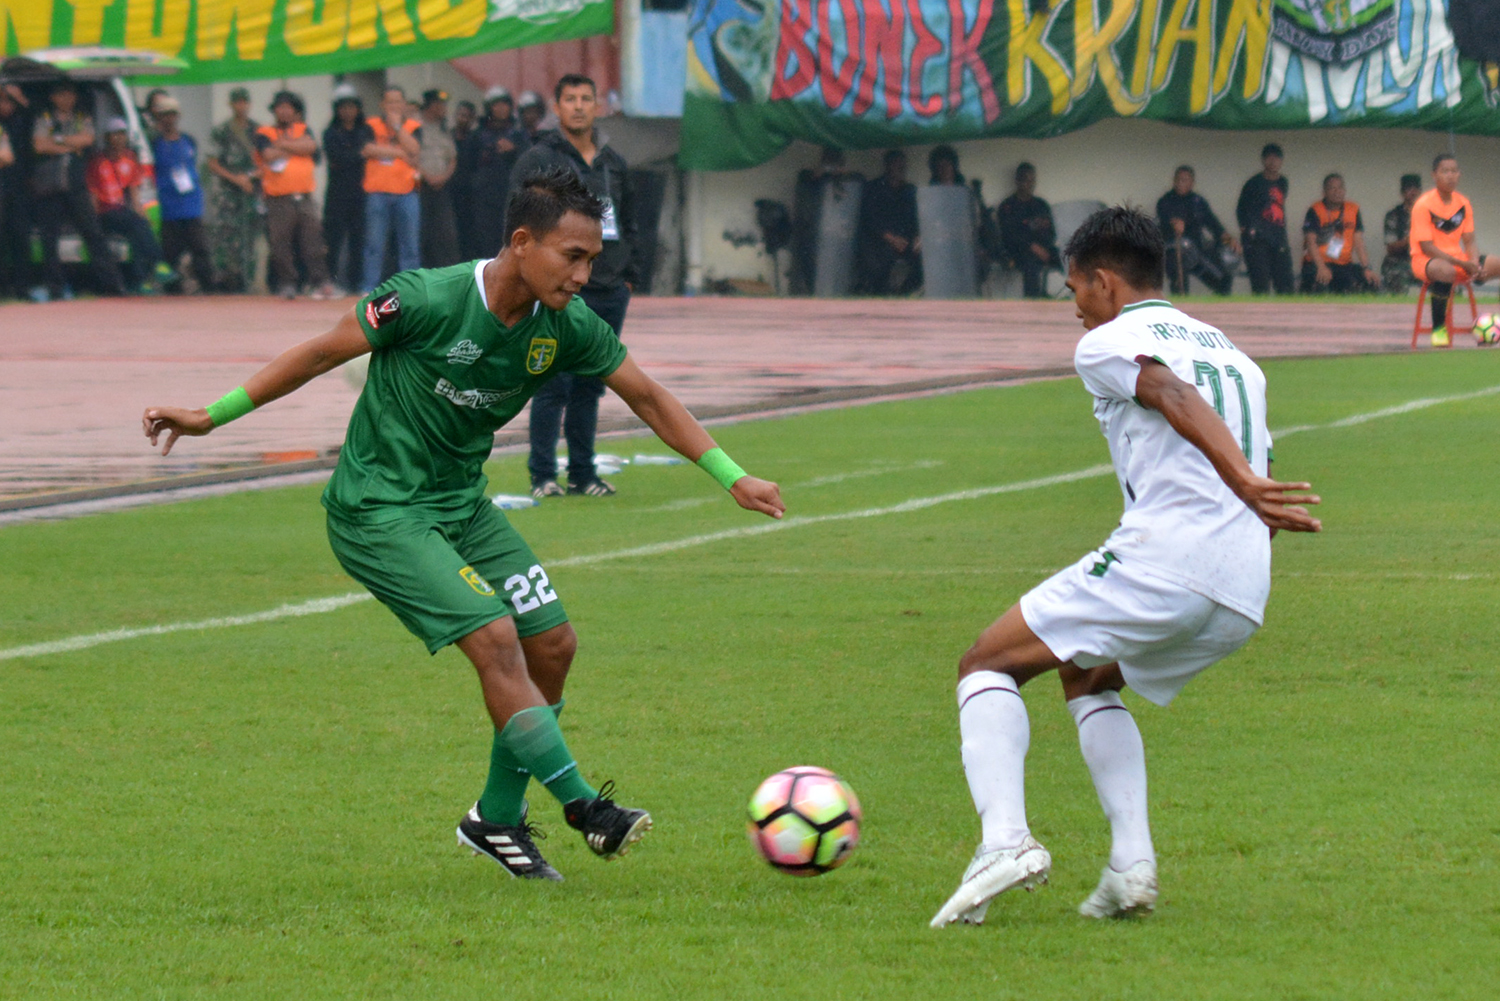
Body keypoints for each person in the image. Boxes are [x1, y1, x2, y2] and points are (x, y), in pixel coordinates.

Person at [142, 169, 786, 882]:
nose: (583, 274)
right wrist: (210, 414)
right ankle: (584, 809)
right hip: (379, 509)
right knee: (496, 634)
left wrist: (734, 477)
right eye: (571, 256)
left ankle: (496, 818)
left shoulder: (565, 326)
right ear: (521, 241)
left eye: (592, 260)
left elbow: (649, 397)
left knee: (553, 643)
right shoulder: (424, 297)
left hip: (461, 507)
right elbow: (323, 351)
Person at [929, 205, 1322, 929]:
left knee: (984, 664)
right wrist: (1247, 498)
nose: (1072, 307)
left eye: (1073, 288)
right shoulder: (1231, 349)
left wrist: (1236, 481)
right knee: (1088, 673)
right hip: (1243, 583)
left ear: (1105, 283)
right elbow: (1253, 451)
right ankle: (1130, 867)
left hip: (1169, 558)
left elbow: (1171, 394)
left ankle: (1002, 842)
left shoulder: (1110, 341)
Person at [513, 74, 642, 498]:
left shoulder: (613, 162)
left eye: (587, 98)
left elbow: (631, 219)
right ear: (558, 105)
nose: (580, 106)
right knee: (552, 380)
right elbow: (518, 221)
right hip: (560, 288)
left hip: (608, 286)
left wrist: (629, 271)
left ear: (598, 105)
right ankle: (542, 475)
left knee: (593, 382)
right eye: (570, 99)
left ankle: (583, 474)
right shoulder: (539, 159)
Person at [32, 81, 127, 299]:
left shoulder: (81, 118)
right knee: (49, 238)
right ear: (53, 97)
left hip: (76, 184)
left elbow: (87, 139)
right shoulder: (44, 118)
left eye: (70, 94)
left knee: (93, 233)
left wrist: (55, 140)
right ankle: (55, 288)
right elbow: (39, 145)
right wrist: (69, 145)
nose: (67, 99)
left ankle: (113, 284)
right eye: (62, 94)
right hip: (51, 185)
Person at [1409, 154, 1500, 346]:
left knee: (1496, 264)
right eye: (1445, 171)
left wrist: (1474, 262)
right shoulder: (1423, 204)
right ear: (1435, 175)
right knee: (1445, 271)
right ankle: (1438, 328)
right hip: (1426, 260)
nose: (1451, 176)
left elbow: (1469, 240)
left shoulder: (1463, 203)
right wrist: (1462, 263)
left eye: (1454, 171)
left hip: (1460, 259)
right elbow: (1427, 247)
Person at [255, 91, 335, 299]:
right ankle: (287, 282)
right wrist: (296, 148)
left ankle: (321, 282)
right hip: (278, 197)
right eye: (280, 107)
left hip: (305, 194)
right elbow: (268, 155)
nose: (284, 111)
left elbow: (311, 146)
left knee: (313, 240)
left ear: (295, 110)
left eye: (288, 107)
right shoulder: (265, 132)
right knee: (281, 242)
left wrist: (283, 145)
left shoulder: (303, 129)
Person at [89, 117, 171, 293]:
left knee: (137, 233)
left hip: (123, 212)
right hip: (105, 212)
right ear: (107, 138)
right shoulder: (97, 162)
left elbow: (134, 194)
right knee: (136, 224)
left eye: (121, 134)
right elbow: (93, 195)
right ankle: (158, 263)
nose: (118, 139)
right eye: (114, 135)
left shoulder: (130, 159)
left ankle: (140, 282)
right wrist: (93, 223)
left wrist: (142, 213)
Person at [150, 96, 215, 294]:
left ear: (177, 116)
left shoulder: (188, 140)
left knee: (200, 247)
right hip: (168, 205)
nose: (168, 119)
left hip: (191, 203)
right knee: (170, 251)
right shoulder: (154, 143)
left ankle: (208, 285)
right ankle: (172, 288)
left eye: (171, 114)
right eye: (164, 116)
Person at [360, 86, 422, 293]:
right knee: (374, 245)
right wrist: (400, 153)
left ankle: (410, 289)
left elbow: (414, 149)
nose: (394, 106)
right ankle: (369, 286)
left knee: (409, 246)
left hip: (407, 192)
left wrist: (397, 127)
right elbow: (367, 149)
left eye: (398, 102)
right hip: (377, 192)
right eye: (390, 102)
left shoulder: (413, 126)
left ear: (404, 104)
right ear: (382, 105)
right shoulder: (371, 125)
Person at [207, 87, 262, 293]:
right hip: (227, 193)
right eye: (237, 102)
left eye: (244, 101)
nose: (241, 106)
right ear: (231, 104)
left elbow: (267, 161)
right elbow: (212, 163)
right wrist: (237, 179)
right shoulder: (222, 131)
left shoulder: (258, 131)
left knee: (250, 236)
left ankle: (248, 282)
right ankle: (224, 283)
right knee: (225, 237)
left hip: (250, 192)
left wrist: (250, 178)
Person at [789, 146, 860, 296]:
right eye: (828, 161)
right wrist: (821, 172)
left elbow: (852, 190)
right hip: (815, 232)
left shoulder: (847, 179)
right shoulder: (810, 177)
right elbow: (806, 180)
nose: (831, 166)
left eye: (835, 162)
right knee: (809, 254)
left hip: (840, 234)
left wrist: (842, 175)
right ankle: (813, 291)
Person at [1156, 165, 1237, 295]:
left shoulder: (1198, 202)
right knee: (1180, 283)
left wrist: (1228, 238)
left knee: (1223, 278)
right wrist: (1175, 224)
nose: (1181, 183)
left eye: (1185, 180)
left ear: (1192, 183)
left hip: (1196, 251)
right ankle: (1181, 308)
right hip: (1175, 250)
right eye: (1178, 179)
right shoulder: (1165, 201)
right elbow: (1167, 219)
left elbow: (1213, 224)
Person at [322, 84, 370, 293]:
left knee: (359, 239)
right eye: (343, 107)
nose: (347, 111)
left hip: (361, 192)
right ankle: (332, 282)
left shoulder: (366, 131)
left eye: (351, 107)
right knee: (334, 238)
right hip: (337, 193)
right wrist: (360, 154)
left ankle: (355, 283)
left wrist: (356, 155)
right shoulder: (330, 132)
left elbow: (364, 154)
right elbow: (338, 157)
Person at [854, 149, 921, 296]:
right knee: (880, 260)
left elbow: (918, 218)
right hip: (880, 244)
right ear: (887, 166)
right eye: (897, 165)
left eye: (903, 166)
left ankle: (905, 294)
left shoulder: (910, 191)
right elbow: (869, 220)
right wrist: (890, 238)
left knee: (924, 257)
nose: (900, 169)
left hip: (906, 243)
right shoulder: (873, 188)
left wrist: (918, 237)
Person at [472, 87, 529, 258]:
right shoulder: (478, 135)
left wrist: (514, 151)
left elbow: (529, 161)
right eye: (496, 105)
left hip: (511, 198)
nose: (501, 109)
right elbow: (468, 167)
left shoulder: (518, 134)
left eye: (505, 105)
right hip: (484, 199)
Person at [1299, 174, 1377, 294]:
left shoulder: (1353, 209)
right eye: (1332, 188)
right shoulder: (1315, 210)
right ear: (1324, 192)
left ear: (1344, 190)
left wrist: (1367, 268)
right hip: (1318, 263)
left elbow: (1359, 242)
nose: (1337, 192)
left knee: (1369, 281)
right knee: (1320, 283)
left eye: (1340, 188)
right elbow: (1310, 242)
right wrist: (1321, 267)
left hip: (1344, 264)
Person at [1236, 144, 1293, 294]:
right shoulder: (1253, 183)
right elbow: (1241, 209)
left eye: (1276, 158)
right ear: (1263, 160)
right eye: (1269, 158)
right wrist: (1246, 229)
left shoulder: (1283, 182)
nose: (1273, 162)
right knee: (1261, 284)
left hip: (1278, 237)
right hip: (1257, 240)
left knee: (1285, 283)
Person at [996, 162, 1058, 298]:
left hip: (1043, 250)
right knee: (1031, 265)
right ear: (1017, 181)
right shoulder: (1007, 206)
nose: (1029, 184)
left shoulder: (1041, 205)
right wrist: (1034, 247)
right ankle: (1033, 306)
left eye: (1032, 180)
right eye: (1025, 180)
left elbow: (1052, 233)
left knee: (1073, 257)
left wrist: (1045, 249)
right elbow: (1009, 236)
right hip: (1018, 253)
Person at [417, 89, 461, 268]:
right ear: (431, 105)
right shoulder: (415, 126)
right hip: (420, 186)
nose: (444, 108)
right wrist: (427, 176)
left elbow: (452, 158)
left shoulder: (444, 128)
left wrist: (443, 177)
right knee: (421, 234)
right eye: (440, 104)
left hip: (441, 188)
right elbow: (410, 156)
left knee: (446, 234)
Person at [0, 84, 29, 299]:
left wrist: (18, 96)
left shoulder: (21, 121)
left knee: (20, 236)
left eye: (8, 101)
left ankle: (22, 288)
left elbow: (9, 157)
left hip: (18, 187)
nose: (5, 105)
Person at [1381, 174, 1421, 294]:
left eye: (1416, 189)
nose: (1413, 192)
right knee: (1399, 279)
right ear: (1402, 193)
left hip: (1423, 260)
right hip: (1399, 262)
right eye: (1409, 189)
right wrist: (1411, 239)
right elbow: (1391, 248)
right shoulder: (1394, 215)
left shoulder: (1429, 214)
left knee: (1445, 275)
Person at [451, 100, 480, 260]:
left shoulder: (476, 138)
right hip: (450, 190)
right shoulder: (449, 135)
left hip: (471, 193)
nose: (463, 119)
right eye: (461, 115)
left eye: (467, 116)